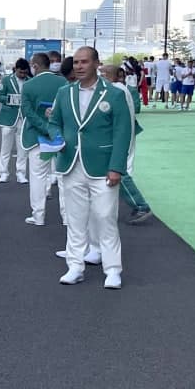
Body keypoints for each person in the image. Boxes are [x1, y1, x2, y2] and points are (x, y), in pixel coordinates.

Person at [51, 47, 130, 288]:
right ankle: (75, 266)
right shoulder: (64, 92)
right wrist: (57, 138)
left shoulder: (114, 94)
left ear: (96, 63)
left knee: (106, 218)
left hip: (103, 167)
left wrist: (116, 167)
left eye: (84, 62)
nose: (79, 66)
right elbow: (54, 122)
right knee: (75, 219)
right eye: (76, 62)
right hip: (70, 163)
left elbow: (122, 132)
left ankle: (113, 270)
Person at [20, 52, 67, 227]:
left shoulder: (28, 85)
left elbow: (28, 112)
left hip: (36, 138)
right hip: (60, 136)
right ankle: (67, 217)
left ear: (35, 66)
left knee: (38, 176)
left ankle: (38, 215)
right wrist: (54, 129)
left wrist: (45, 128)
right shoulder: (63, 82)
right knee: (63, 177)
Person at [101, 63, 152, 224]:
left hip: (121, 135)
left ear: (108, 75)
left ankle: (140, 205)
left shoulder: (115, 90)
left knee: (118, 169)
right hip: (126, 132)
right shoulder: (122, 88)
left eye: (102, 73)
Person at [0, 58, 30, 184]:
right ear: (15, 69)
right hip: (8, 117)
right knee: (5, 147)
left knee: (22, 148)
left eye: (25, 72)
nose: (23, 75)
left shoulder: (30, 81)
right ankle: (3, 173)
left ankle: (21, 173)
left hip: (23, 117)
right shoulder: (6, 80)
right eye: (20, 72)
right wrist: (11, 99)